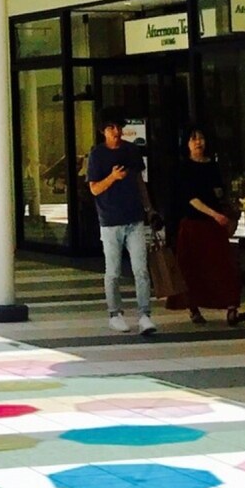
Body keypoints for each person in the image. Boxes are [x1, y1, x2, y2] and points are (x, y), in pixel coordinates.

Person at [86, 109, 156, 335]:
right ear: (103, 131)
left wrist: (149, 209)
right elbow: (94, 188)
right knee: (113, 271)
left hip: (134, 218)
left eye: (118, 127)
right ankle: (114, 314)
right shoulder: (97, 155)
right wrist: (113, 177)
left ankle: (144, 314)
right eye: (110, 128)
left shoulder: (131, 151)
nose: (116, 132)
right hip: (109, 220)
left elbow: (140, 182)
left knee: (141, 269)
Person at [172, 128, 245, 326]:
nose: (198, 142)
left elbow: (220, 191)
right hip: (194, 224)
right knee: (192, 268)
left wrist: (226, 208)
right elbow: (191, 199)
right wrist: (214, 214)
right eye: (193, 139)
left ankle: (232, 308)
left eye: (201, 138)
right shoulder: (184, 168)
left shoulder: (213, 165)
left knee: (225, 266)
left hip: (214, 225)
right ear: (186, 144)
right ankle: (193, 308)